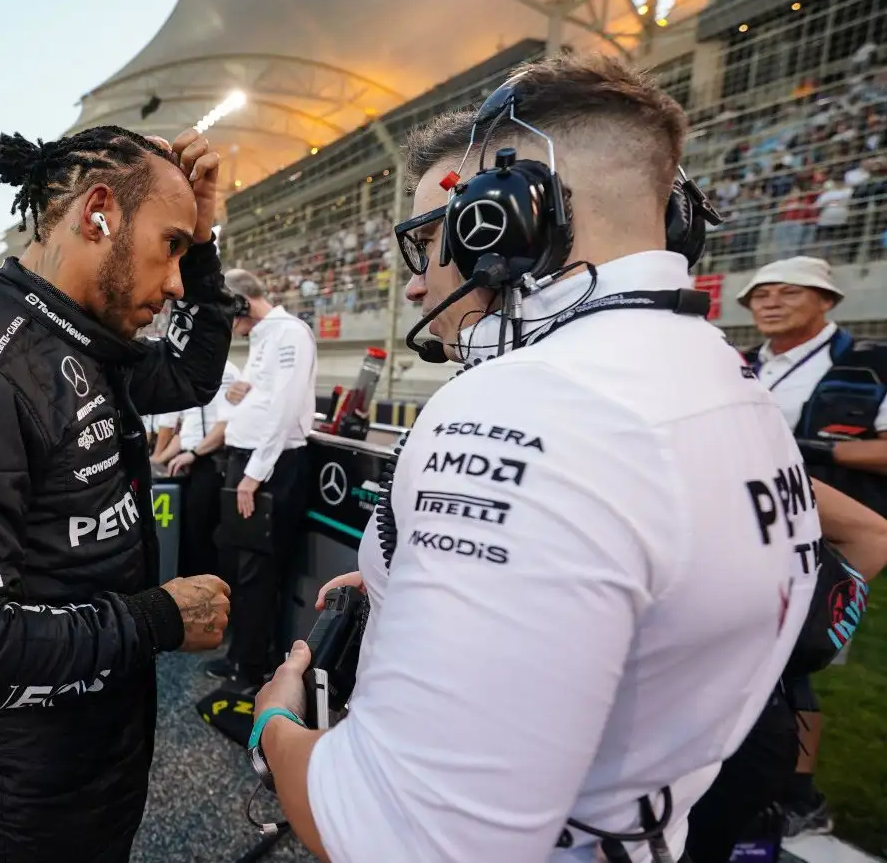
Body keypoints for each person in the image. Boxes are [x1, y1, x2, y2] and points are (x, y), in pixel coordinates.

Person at [248, 55, 818, 862]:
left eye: (432, 241)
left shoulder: (518, 405)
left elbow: (402, 842)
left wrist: (275, 723)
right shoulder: (734, 381)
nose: (418, 285)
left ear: (501, 223)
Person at [0, 125, 239, 861]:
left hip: (102, 739)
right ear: (99, 212)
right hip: (31, 777)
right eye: (170, 246)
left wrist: (204, 245)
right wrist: (158, 618)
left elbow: (193, 377)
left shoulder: (81, 339)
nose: (174, 283)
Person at [735, 254, 887, 838]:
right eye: (759, 295)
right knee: (752, 661)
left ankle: (800, 795)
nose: (769, 302)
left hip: (834, 531)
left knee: (799, 663)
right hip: (754, 527)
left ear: (827, 300)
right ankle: (756, 776)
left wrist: (813, 452)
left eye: (787, 292)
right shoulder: (741, 363)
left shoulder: (870, 363)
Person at [204, 267, 318, 687]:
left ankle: (250, 668)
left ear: (241, 304)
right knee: (241, 565)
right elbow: (260, 396)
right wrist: (239, 393)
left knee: (258, 573)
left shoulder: (289, 334)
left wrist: (253, 475)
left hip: (269, 468)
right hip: (250, 462)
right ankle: (242, 656)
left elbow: (285, 412)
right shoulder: (262, 338)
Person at [160, 359, 241, 578]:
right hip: (189, 462)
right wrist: (158, 460)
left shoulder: (226, 374)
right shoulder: (191, 375)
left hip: (210, 462)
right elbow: (187, 431)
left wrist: (194, 454)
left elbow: (224, 425)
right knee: (186, 534)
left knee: (201, 537)